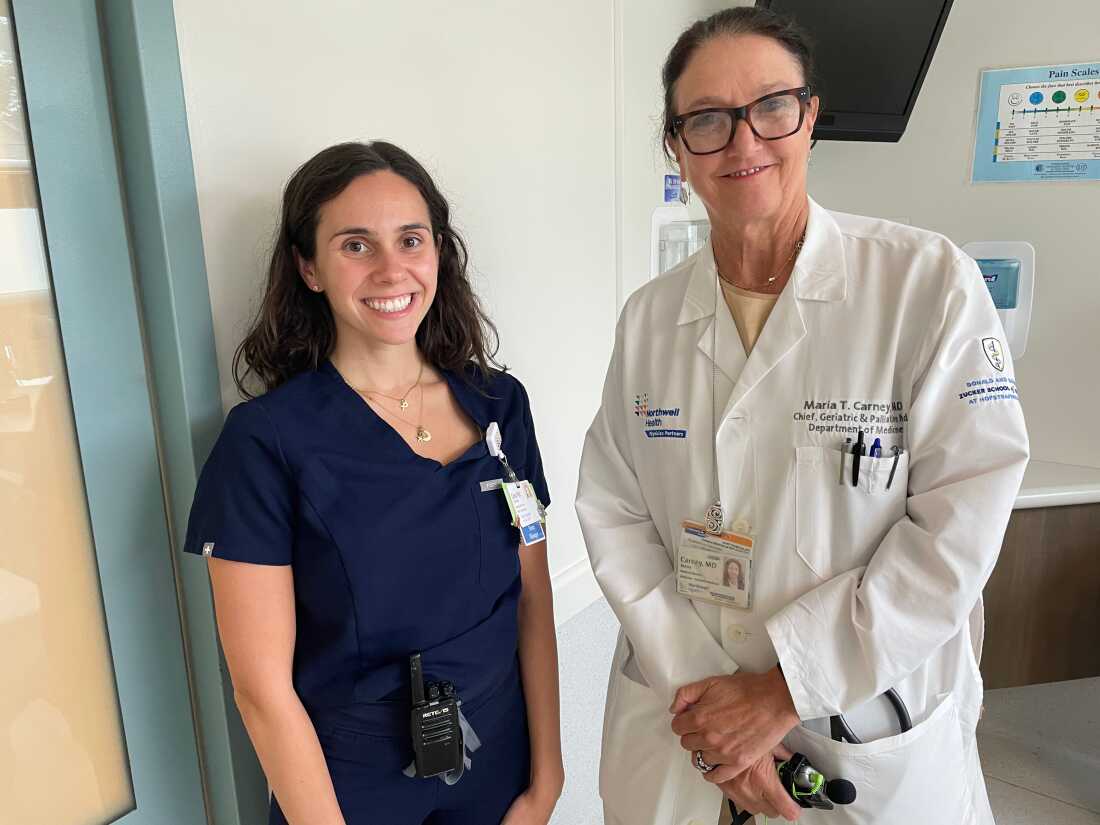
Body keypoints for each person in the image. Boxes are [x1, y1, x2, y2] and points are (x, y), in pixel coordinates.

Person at [575, 8, 1027, 825]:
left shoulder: (925, 286)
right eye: (707, 121)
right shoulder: (649, 317)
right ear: (676, 146)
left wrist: (782, 687)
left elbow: (958, 526)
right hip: (686, 722)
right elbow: (615, 510)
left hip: (855, 719)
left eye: (771, 107)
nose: (743, 143)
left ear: (810, 116)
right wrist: (711, 708)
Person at [184, 141, 563, 825]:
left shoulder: (500, 404)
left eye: (410, 239)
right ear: (310, 268)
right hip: (349, 789)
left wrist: (546, 780)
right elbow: (261, 690)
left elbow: (532, 599)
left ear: (438, 253)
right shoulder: (266, 441)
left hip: (500, 762)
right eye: (356, 245)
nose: (392, 268)